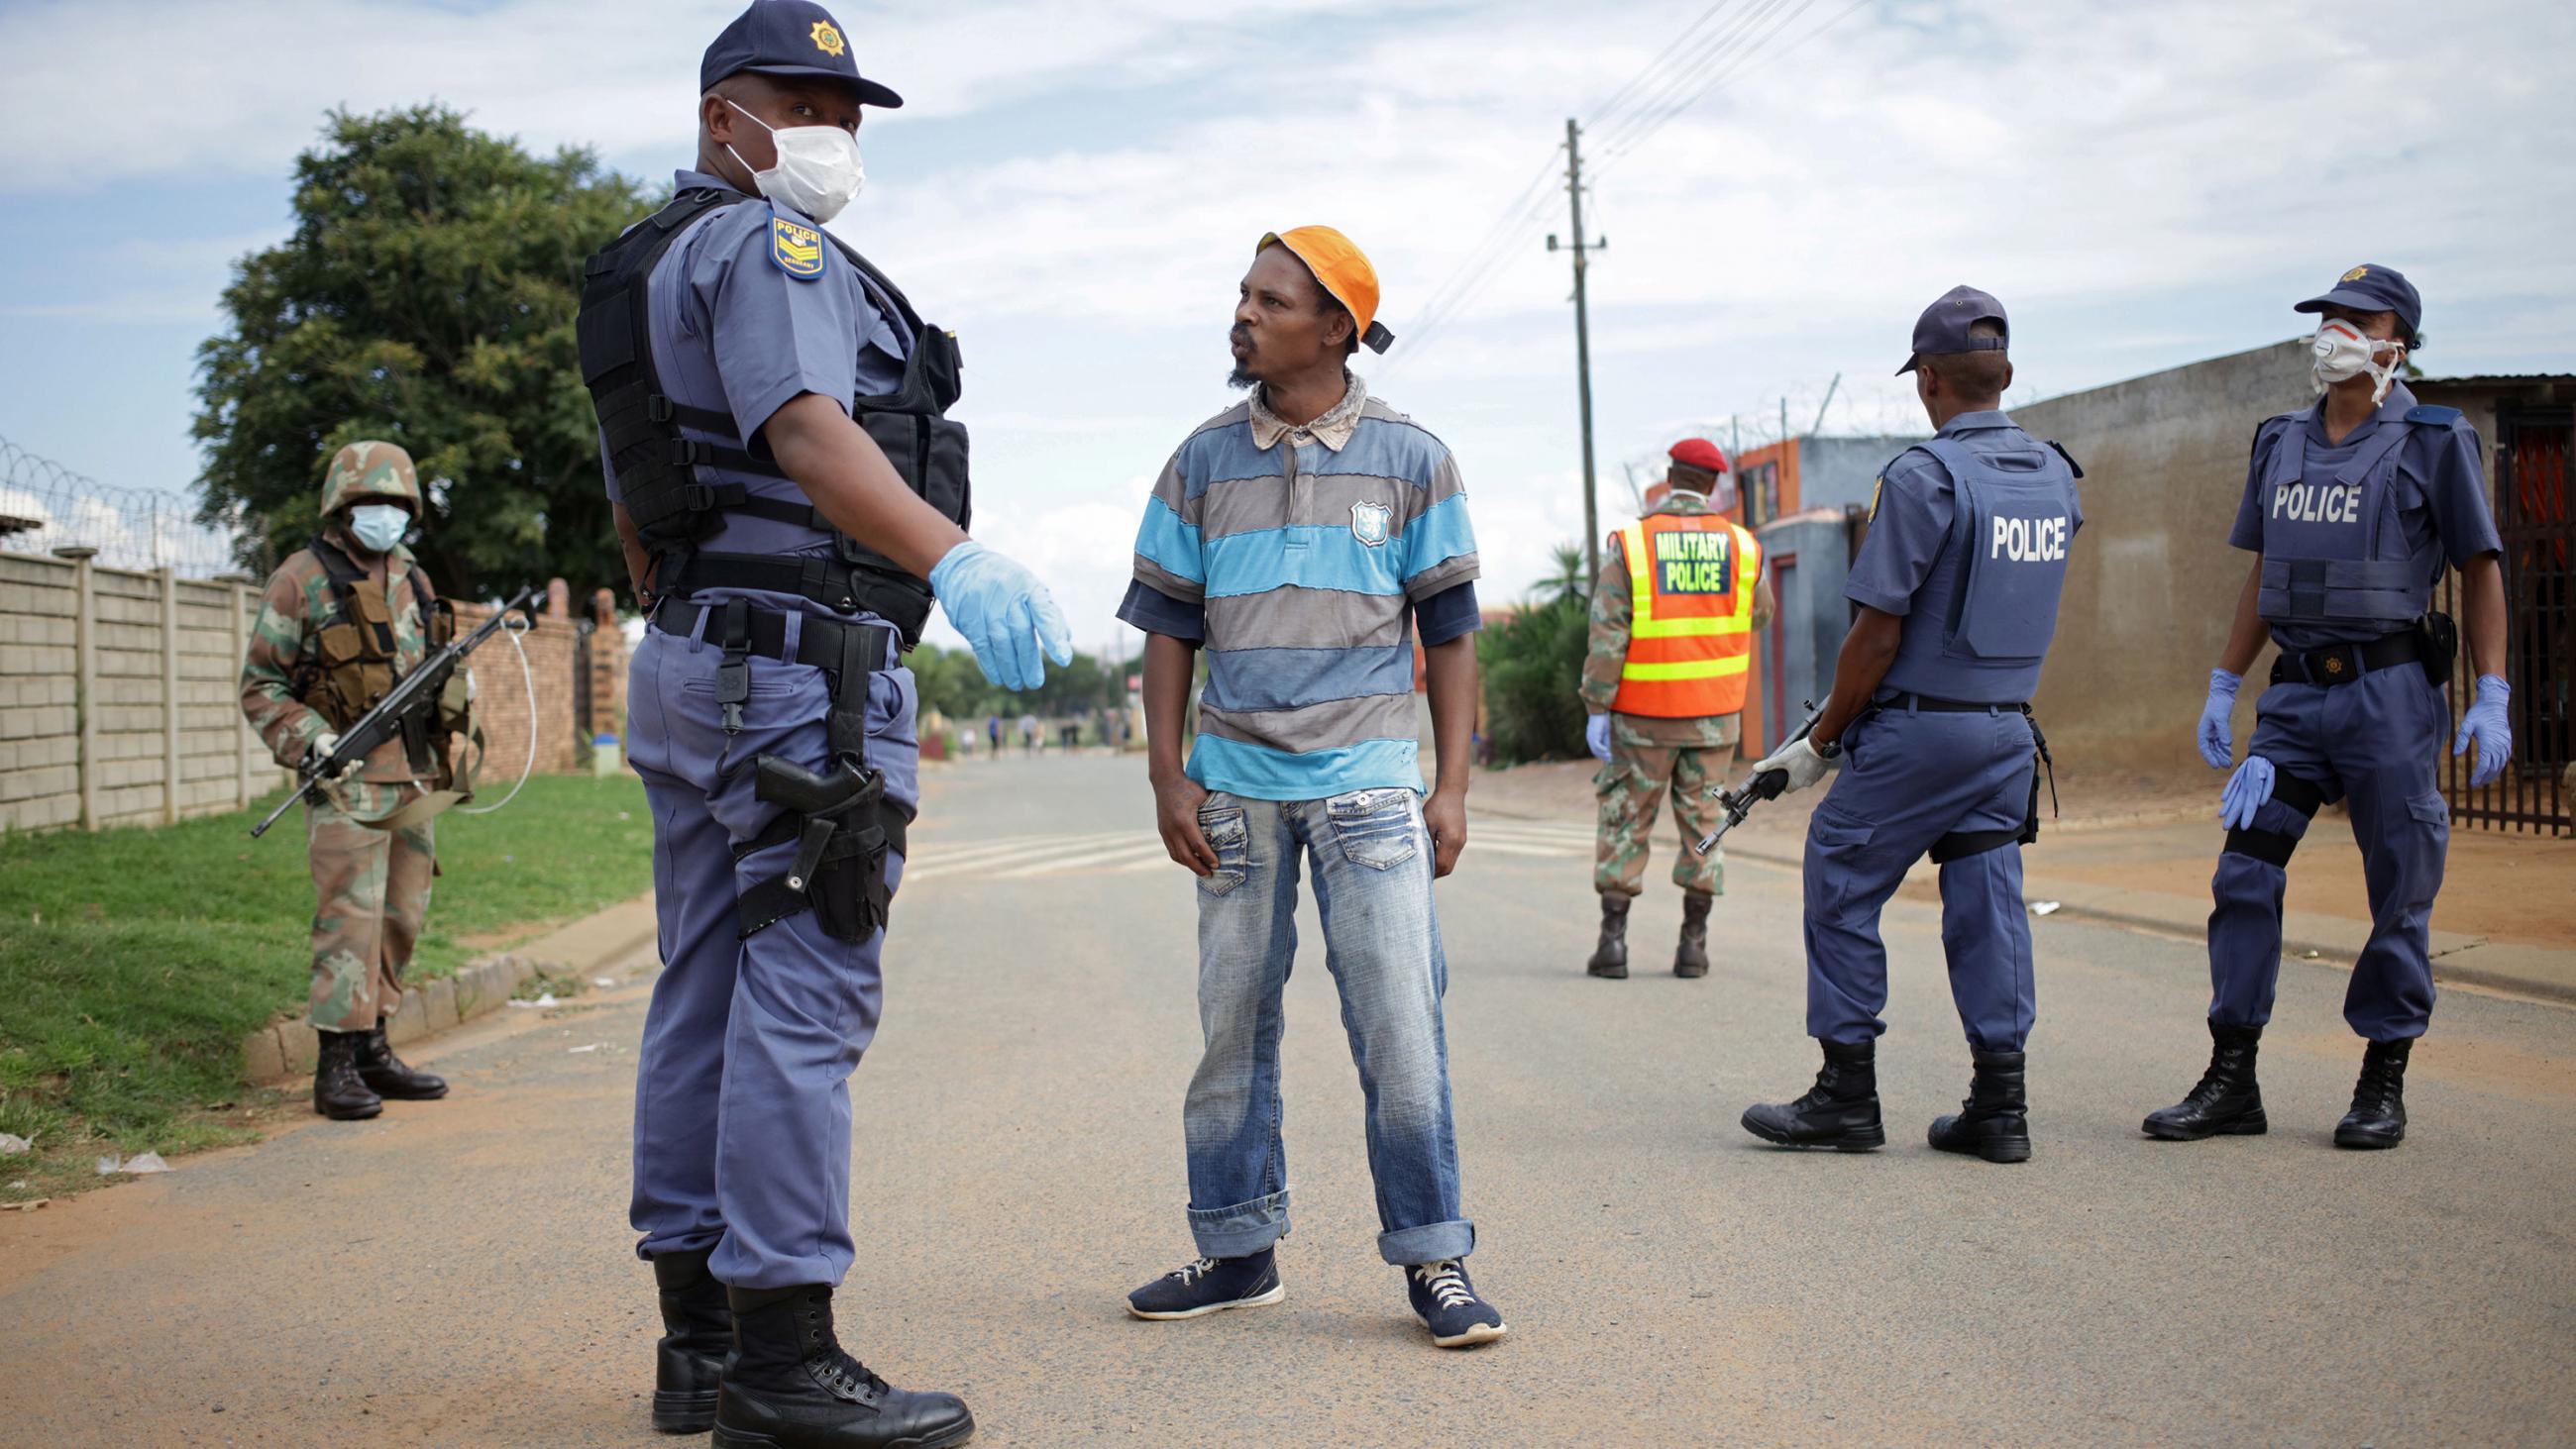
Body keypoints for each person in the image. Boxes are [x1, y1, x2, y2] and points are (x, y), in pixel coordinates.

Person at [578, 4, 1069, 1443]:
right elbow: (802, 425)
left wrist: (682, 605)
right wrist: (950, 554)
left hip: (693, 652)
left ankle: (700, 1342)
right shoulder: (763, 246)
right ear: (725, 109)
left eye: (848, 115)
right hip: (799, 667)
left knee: (705, 985)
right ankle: (786, 1357)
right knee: (805, 991)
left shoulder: (637, 263)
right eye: (805, 104)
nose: (832, 136)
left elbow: (635, 479)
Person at [1118, 227, 1506, 1348]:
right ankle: (1238, 1249)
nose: (1242, 314)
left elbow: (1452, 630)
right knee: (1229, 1027)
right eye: (1241, 295)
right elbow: (1166, 628)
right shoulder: (1198, 460)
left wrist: (1451, 787)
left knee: (1397, 1025)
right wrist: (1166, 776)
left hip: (1371, 791)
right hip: (1232, 791)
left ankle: (1435, 1257)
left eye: (1269, 299)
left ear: (1332, 326)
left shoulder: (1411, 456)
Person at [2149, 264, 2510, 1151]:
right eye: (2327, 318)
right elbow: (2261, 573)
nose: (2335, 332)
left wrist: (2492, 690)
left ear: (2397, 338)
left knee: (2399, 888)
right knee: (2244, 871)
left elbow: (2481, 566)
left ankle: (2383, 1074)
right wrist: (2226, 681)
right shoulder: (2280, 441)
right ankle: (2233, 1076)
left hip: (2389, 696)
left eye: (2357, 318)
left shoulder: (2434, 438)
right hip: (2296, 698)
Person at [1737, 286, 2082, 1166]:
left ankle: (1847, 1097)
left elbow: (1877, 634)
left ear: (1930, 379)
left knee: (1841, 870)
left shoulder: (1925, 477)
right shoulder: (2052, 474)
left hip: (1920, 733)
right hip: (2006, 731)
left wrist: (1820, 743)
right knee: (1989, 901)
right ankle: (2000, 1106)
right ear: (2004, 373)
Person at [240, 440, 459, 1121]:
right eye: (371, 502)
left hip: (414, 778)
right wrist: (312, 739)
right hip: (345, 780)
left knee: (401, 916)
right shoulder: (300, 577)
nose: (384, 515)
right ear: (341, 504)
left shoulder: (414, 577)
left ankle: (374, 1045)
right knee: (350, 920)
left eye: (396, 504)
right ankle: (334, 1061)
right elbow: (261, 685)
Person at [1578, 438, 1775, 980]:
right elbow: (1758, 618)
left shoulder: (1634, 544)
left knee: (1626, 819)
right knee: (1705, 821)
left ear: (1670, 476)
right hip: (1715, 719)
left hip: (1642, 716)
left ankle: (1613, 944)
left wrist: (1598, 704)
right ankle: (1694, 946)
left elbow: (1608, 633)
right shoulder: (1744, 547)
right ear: (1714, 485)